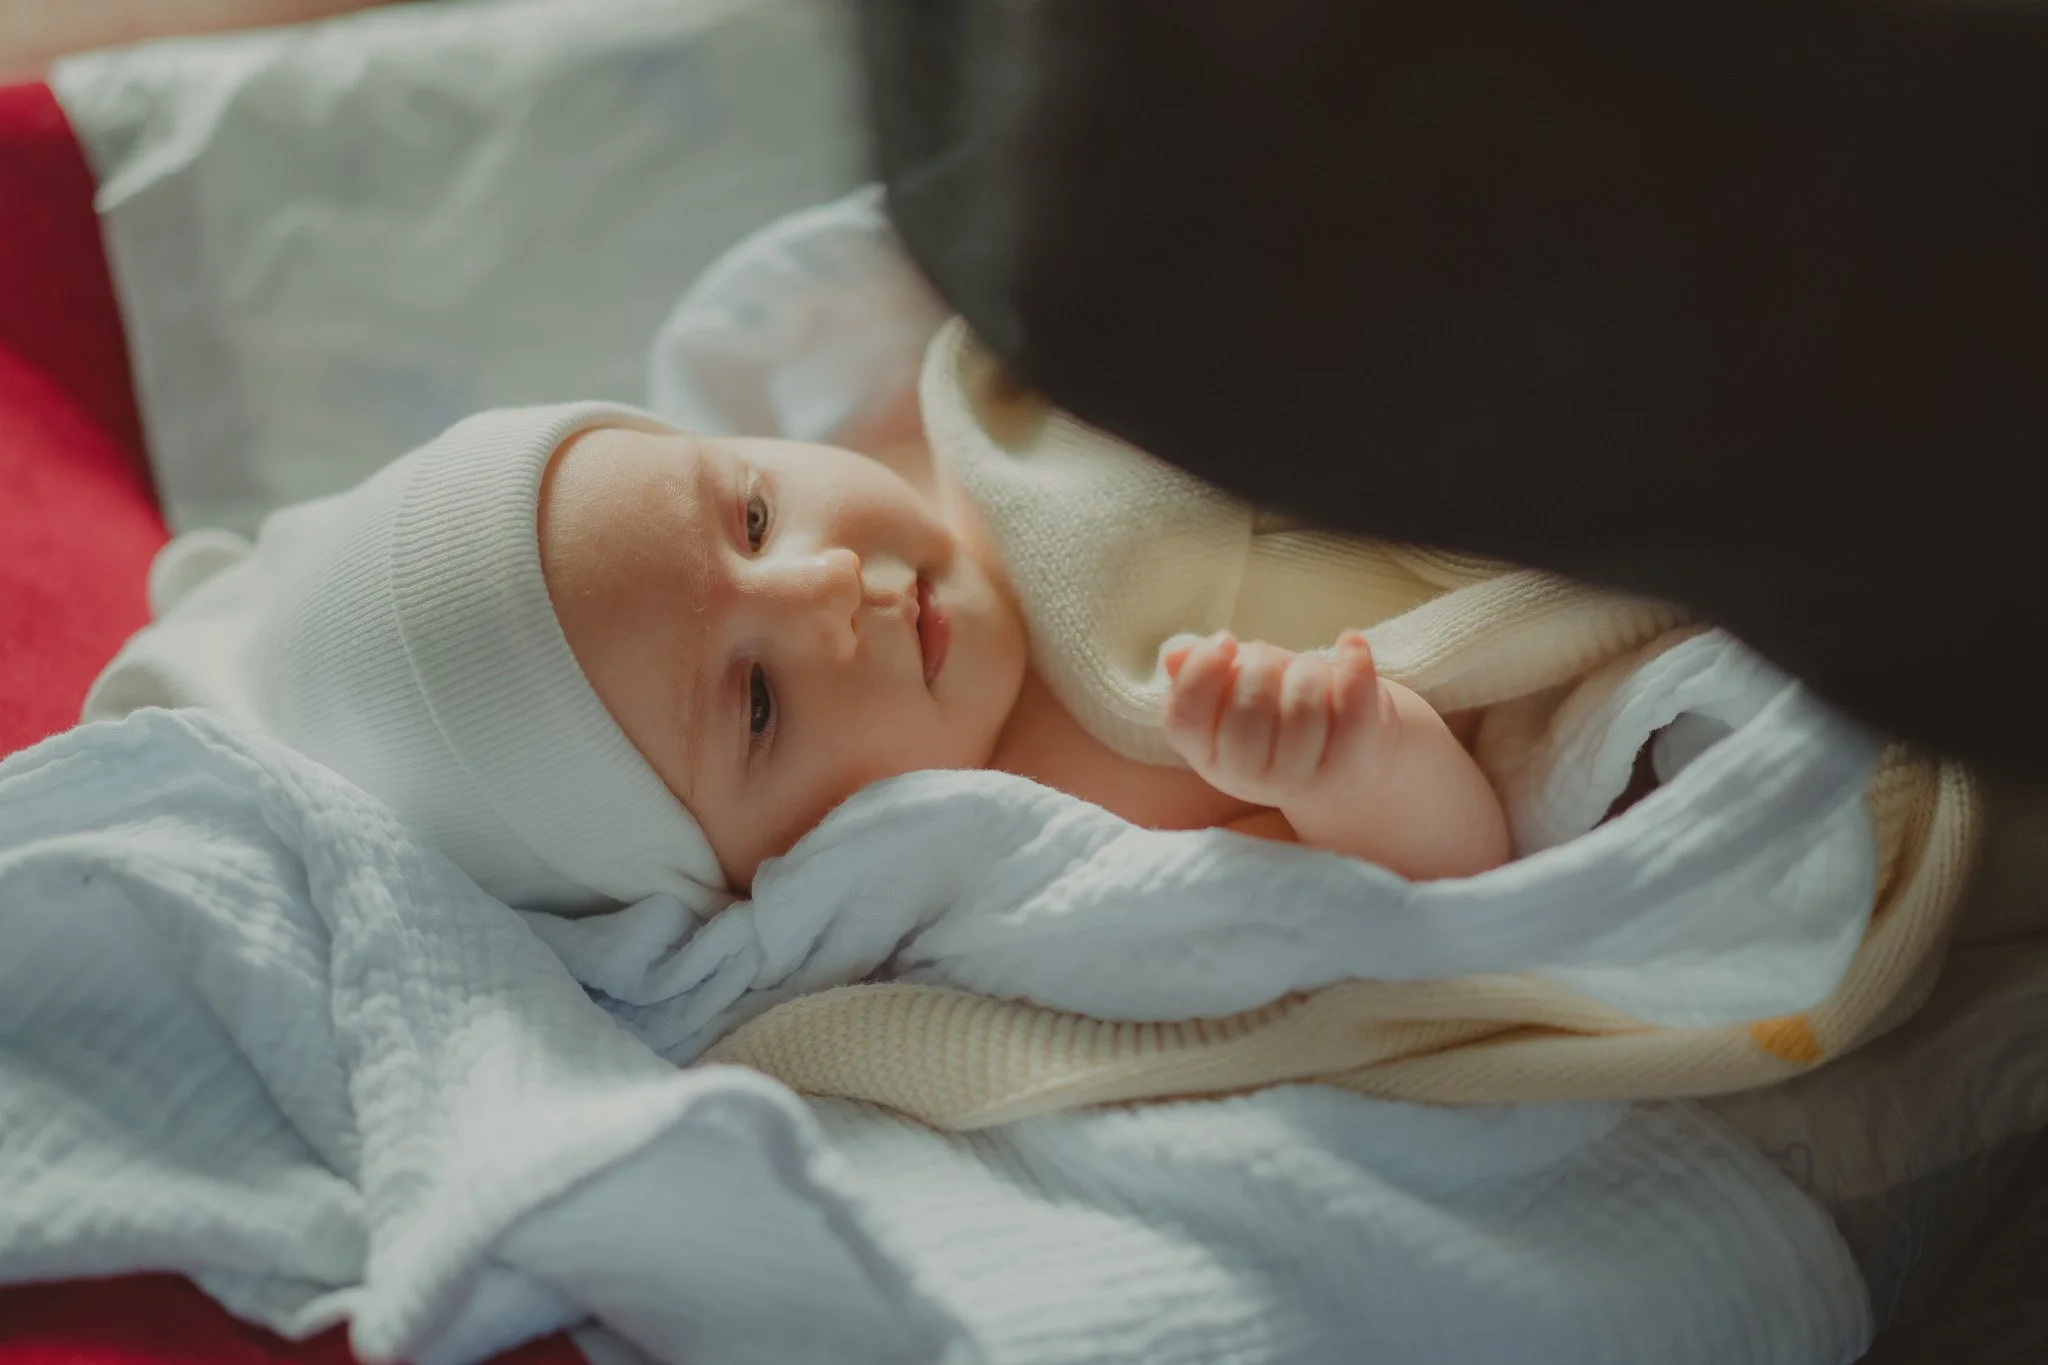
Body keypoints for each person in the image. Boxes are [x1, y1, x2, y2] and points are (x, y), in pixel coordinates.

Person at [84, 380, 1509, 913]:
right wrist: (1354, 766)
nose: (828, 588)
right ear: (744, 878)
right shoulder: (1064, 827)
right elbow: (1457, 899)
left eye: (752, 511)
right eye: (757, 705)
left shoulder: (950, 418)